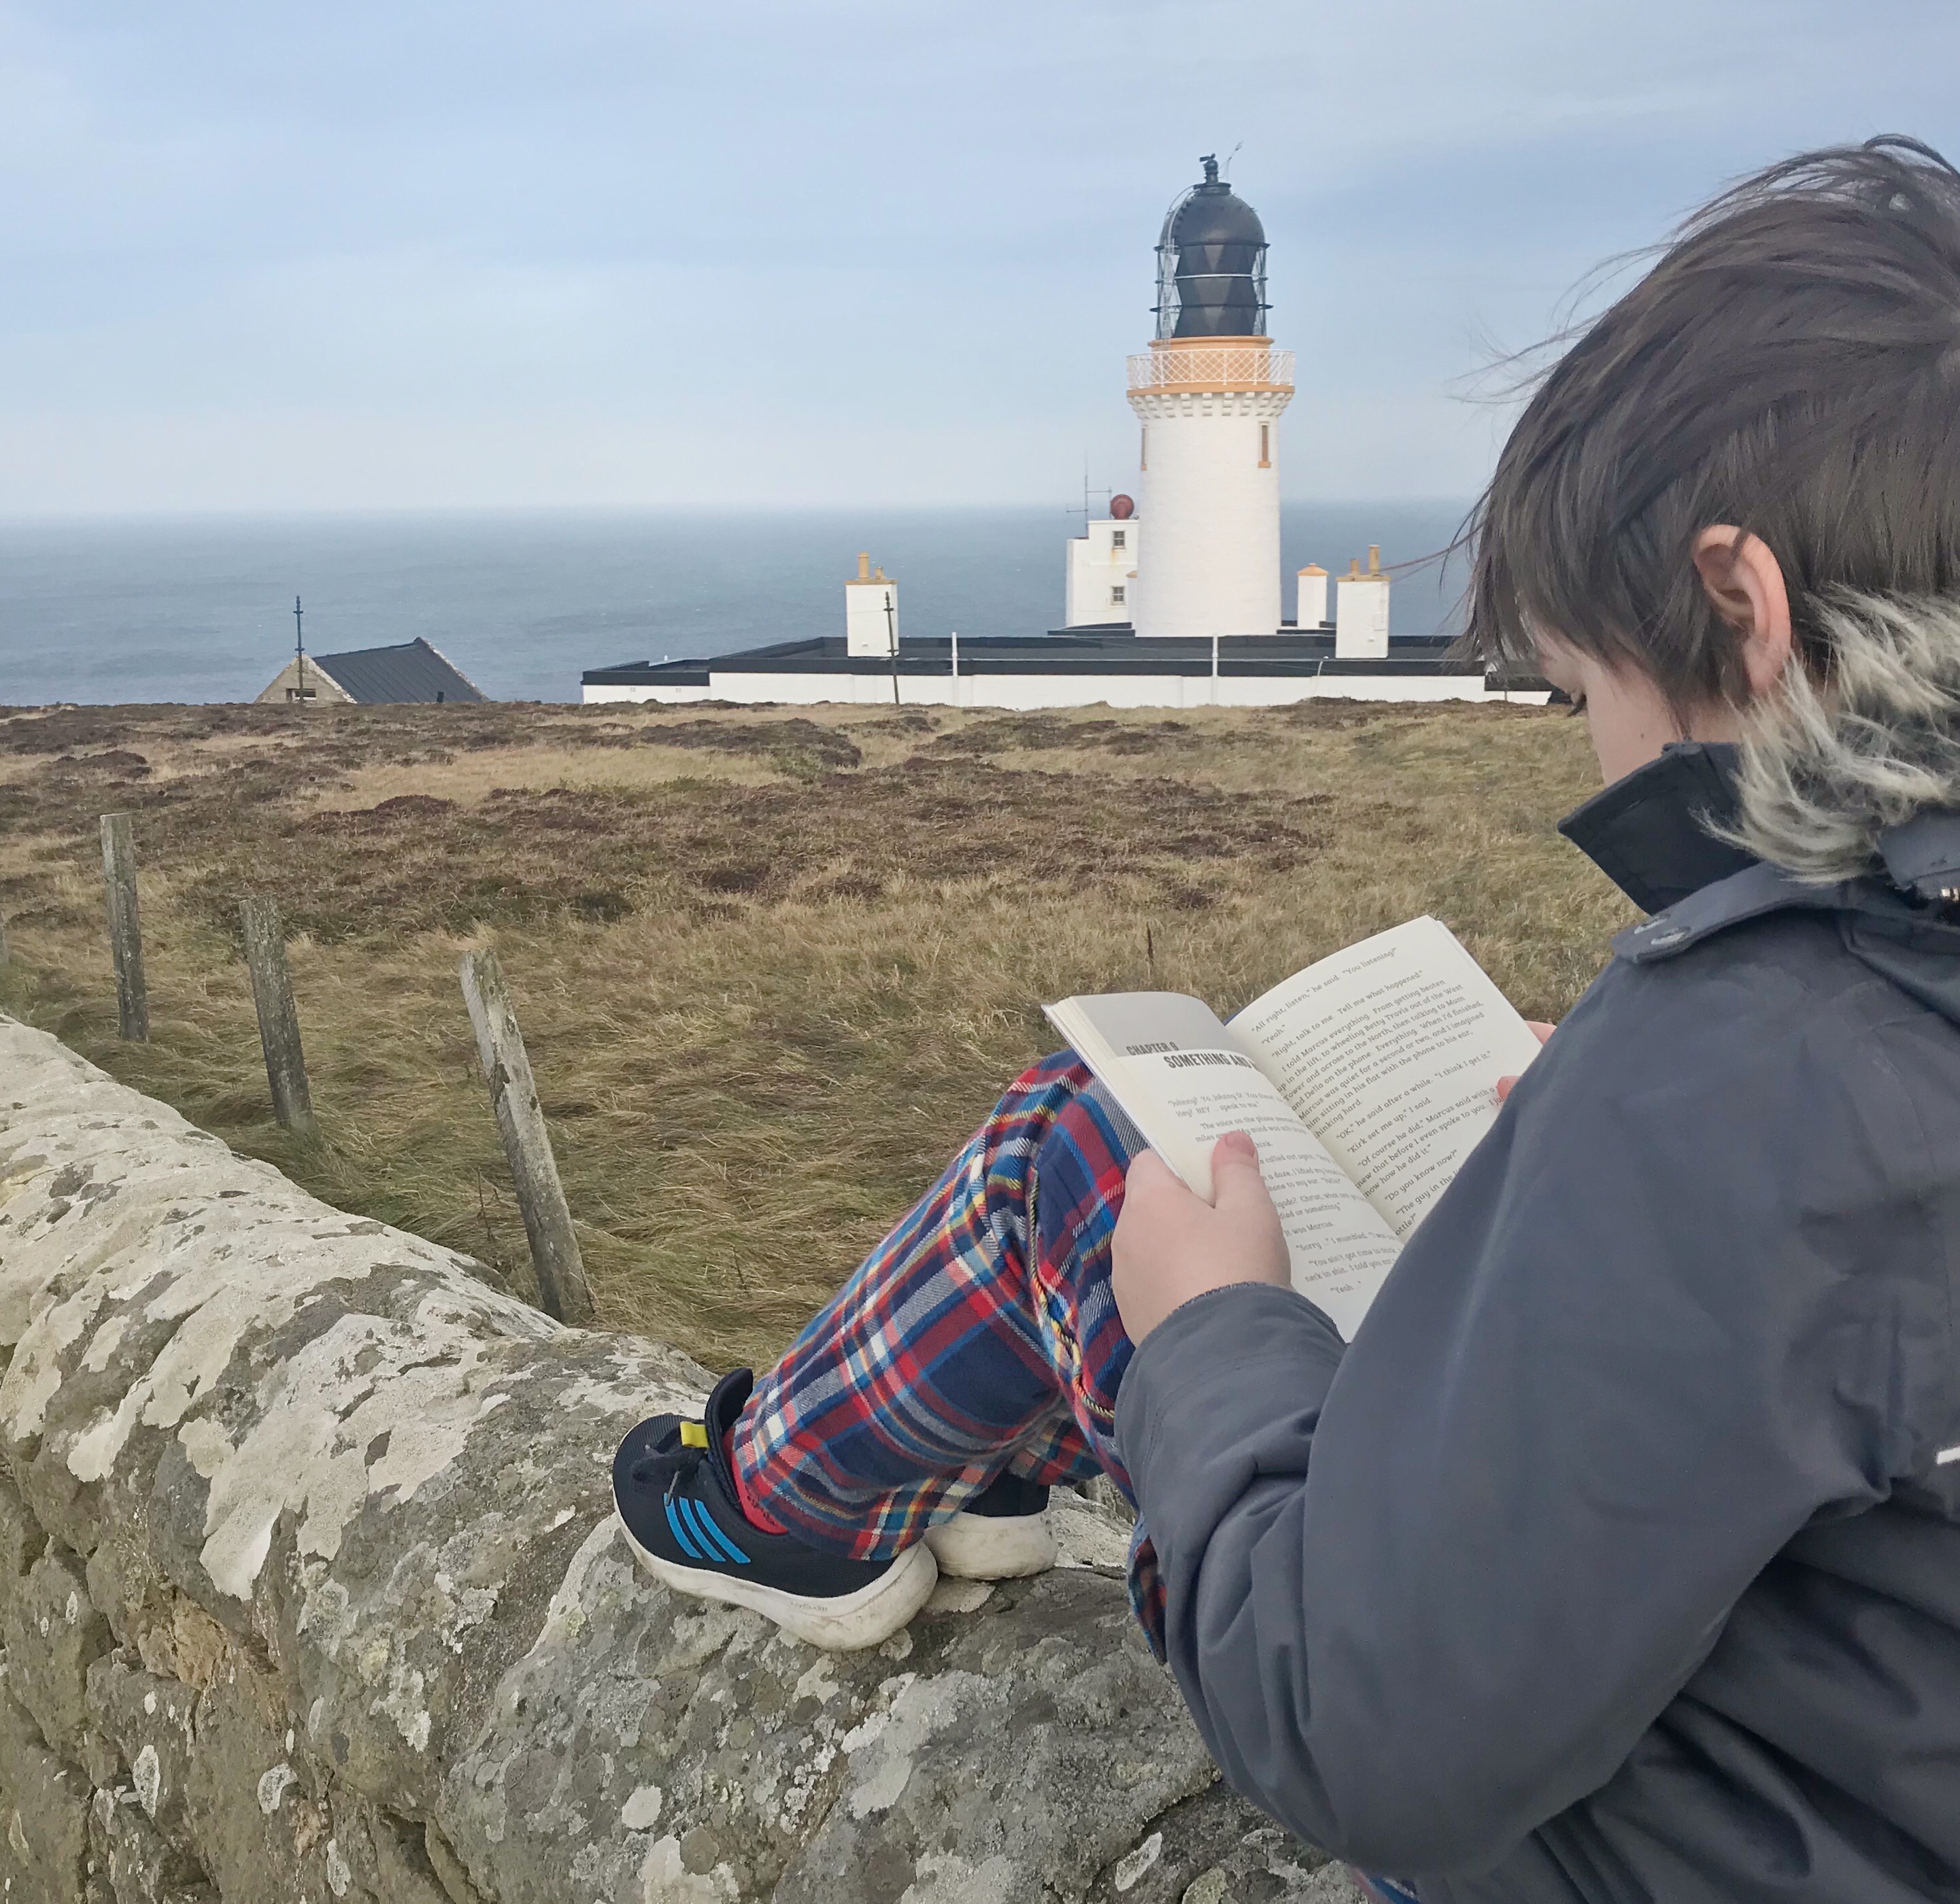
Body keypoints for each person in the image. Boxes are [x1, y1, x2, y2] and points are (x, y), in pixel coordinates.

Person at [613, 137, 1960, 1903]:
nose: (1585, 747)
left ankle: (788, 1506)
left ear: (1743, 608)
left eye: (1579, 694)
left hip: (1676, 1845)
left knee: (1080, 1150)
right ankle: (984, 1485)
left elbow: (1357, 1729)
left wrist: (1219, 1325)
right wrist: (1614, 1181)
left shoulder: (1762, 1053)